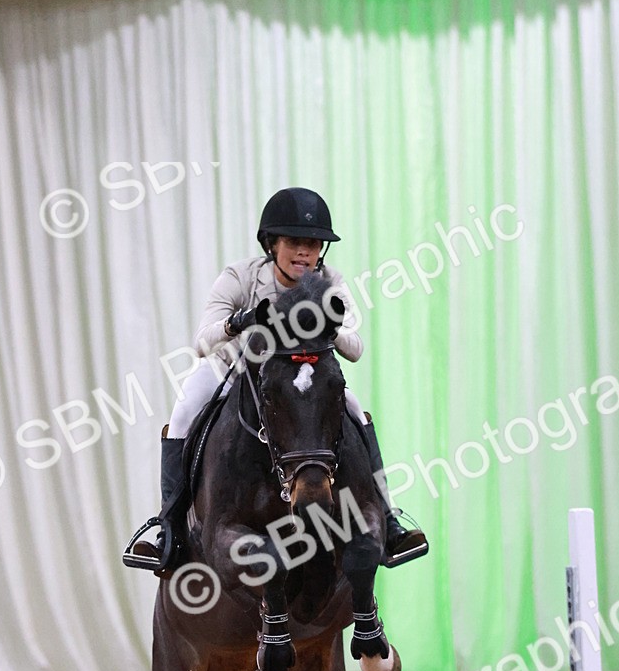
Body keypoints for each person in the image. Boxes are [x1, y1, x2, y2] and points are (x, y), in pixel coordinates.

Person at [123, 187, 428, 574]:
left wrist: (329, 322)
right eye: (295, 242)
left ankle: (388, 519)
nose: (304, 253)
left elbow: (355, 349)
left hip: (298, 378)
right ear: (272, 244)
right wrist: (241, 320)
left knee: (357, 412)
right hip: (232, 369)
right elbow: (202, 343)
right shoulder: (240, 276)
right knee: (183, 413)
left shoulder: (330, 281)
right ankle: (168, 528)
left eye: (313, 244)